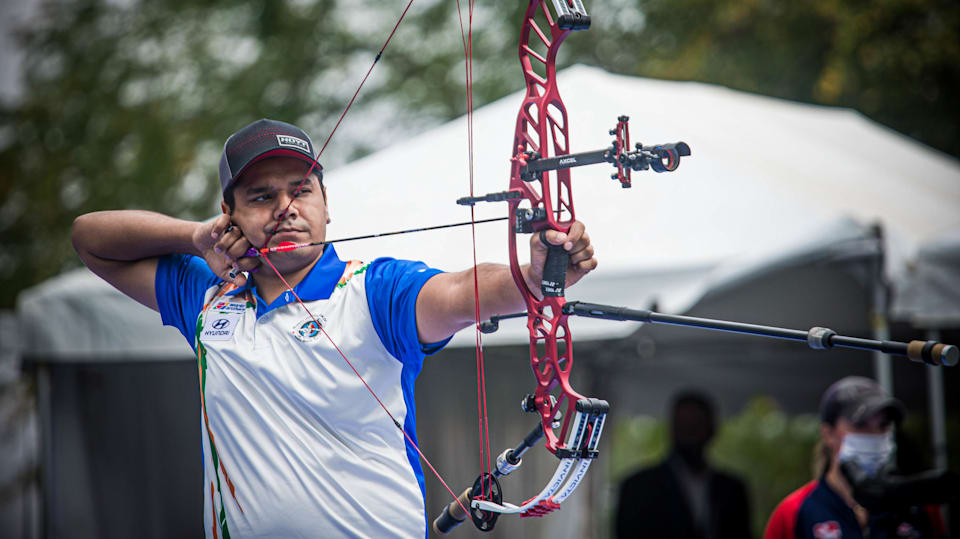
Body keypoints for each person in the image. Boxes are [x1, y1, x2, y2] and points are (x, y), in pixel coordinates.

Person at [70, 119, 597, 538]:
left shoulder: (373, 292)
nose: (286, 209)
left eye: (301, 192)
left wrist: (534, 277)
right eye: (261, 196)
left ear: (326, 204)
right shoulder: (206, 298)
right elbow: (90, 238)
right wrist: (194, 238)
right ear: (228, 213)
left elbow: (462, 292)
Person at [763, 376, 945, 539]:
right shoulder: (794, 512)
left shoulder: (920, 508)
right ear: (828, 434)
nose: (874, 435)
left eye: (883, 425)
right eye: (860, 425)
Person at [615, 391, 752, 539]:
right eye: (684, 425)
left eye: (696, 425)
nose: (689, 433)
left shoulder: (732, 489)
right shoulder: (638, 487)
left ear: (711, 429)